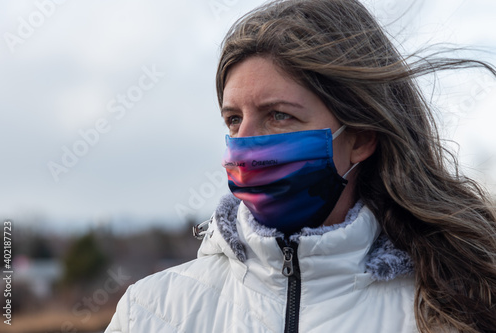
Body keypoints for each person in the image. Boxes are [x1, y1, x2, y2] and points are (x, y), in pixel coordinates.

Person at [105, 0, 496, 332]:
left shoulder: (451, 310)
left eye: (278, 116)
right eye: (233, 120)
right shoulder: (151, 313)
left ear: (359, 138)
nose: (245, 142)